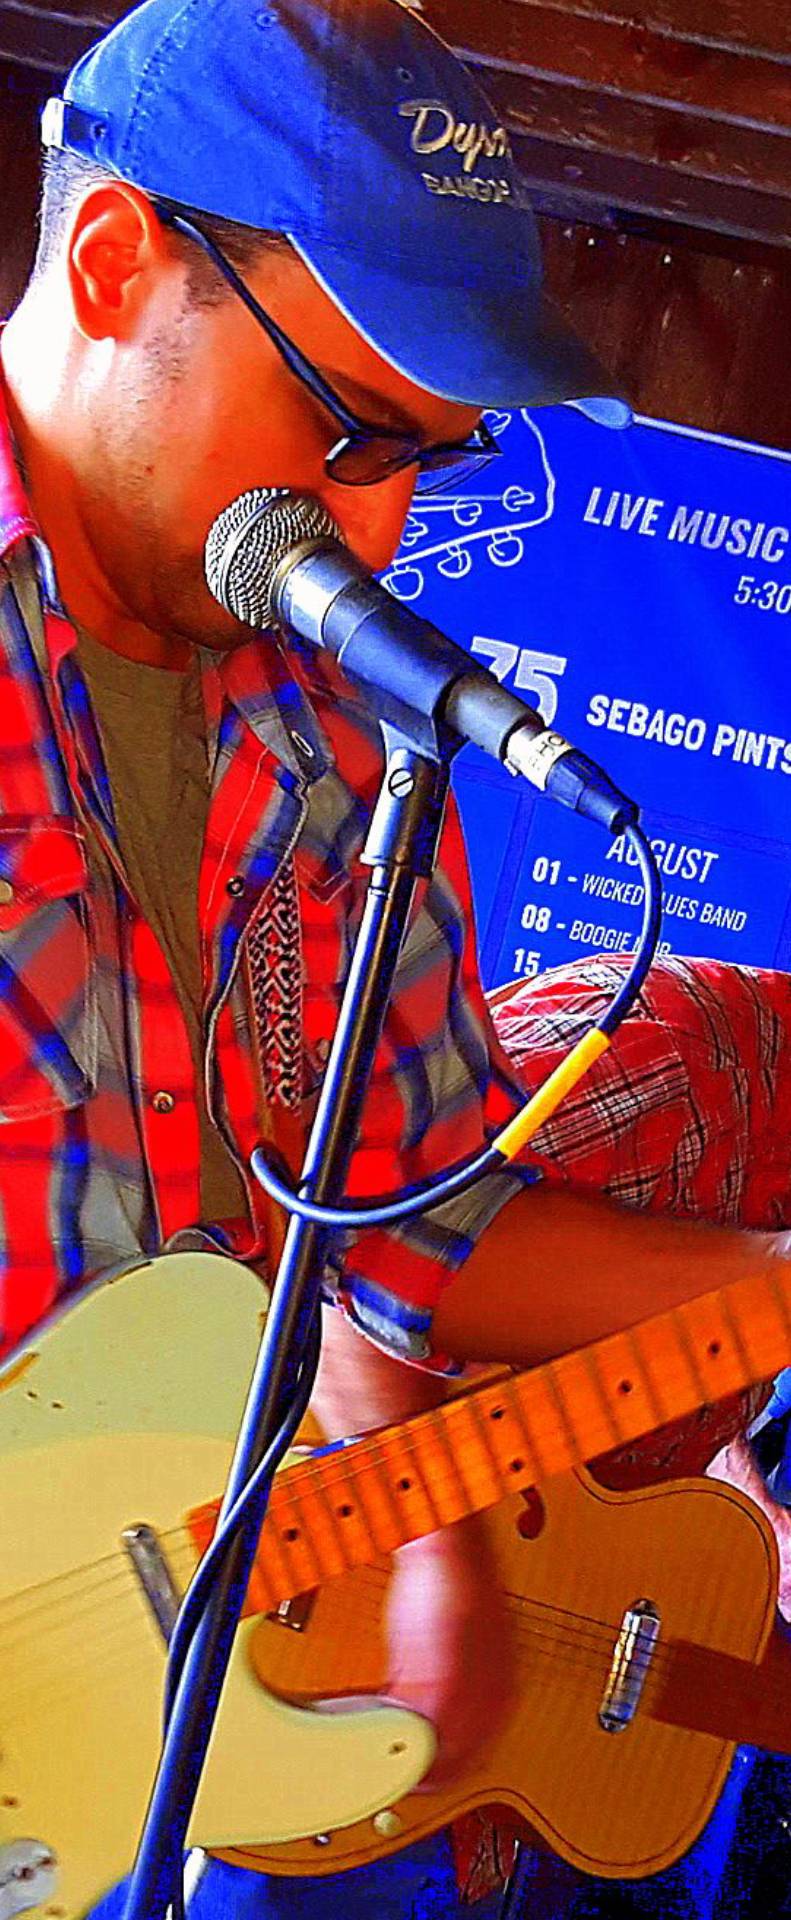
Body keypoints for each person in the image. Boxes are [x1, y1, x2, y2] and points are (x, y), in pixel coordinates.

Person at [2, 1, 790, 1911]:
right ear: (118, 265)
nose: (383, 523)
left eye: (426, 455)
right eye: (348, 434)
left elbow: (394, 1230)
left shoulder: (352, 743)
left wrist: (768, 1295)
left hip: (199, 1720)